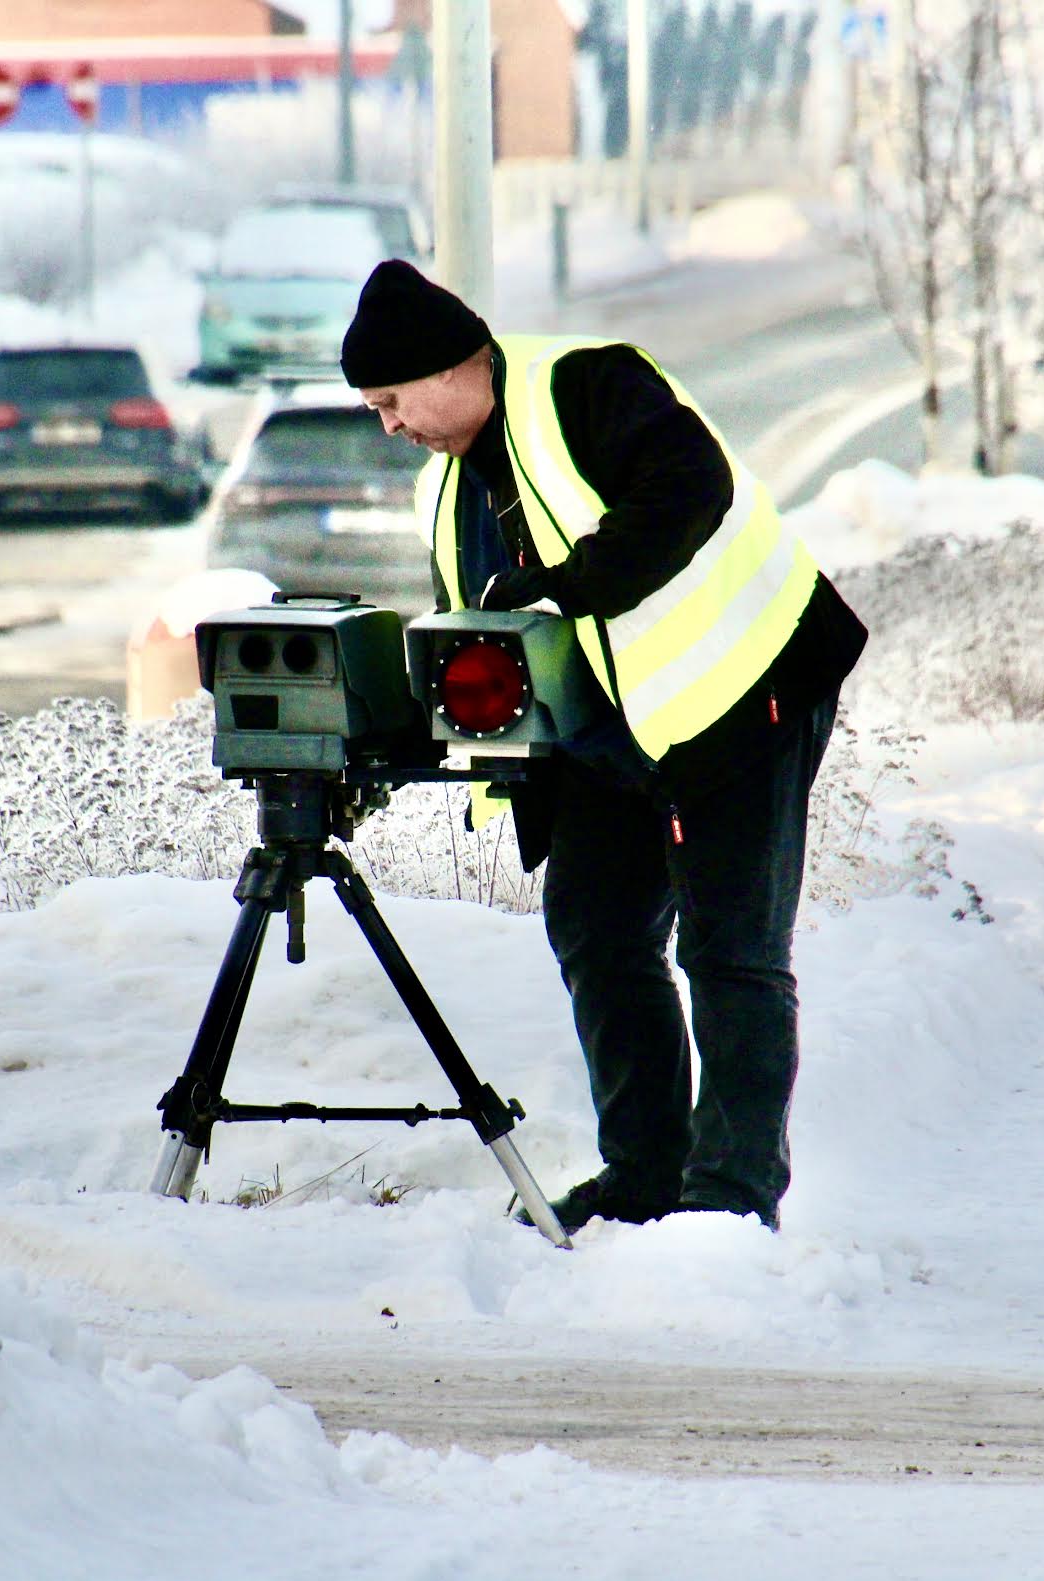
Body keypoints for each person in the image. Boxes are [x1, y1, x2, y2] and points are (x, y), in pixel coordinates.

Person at [340, 259, 867, 1234]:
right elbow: (484, 640)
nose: (390, 426)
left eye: (390, 401)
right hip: (600, 742)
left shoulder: (585, 383)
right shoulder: (439, 493)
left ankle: (732, 1192)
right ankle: (644, 1174)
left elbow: (687, 489)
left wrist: (563, 588)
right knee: (598, 933)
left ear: (447, 365)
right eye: (373, 411)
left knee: (730, 949)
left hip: (744, 691)